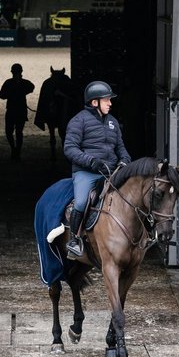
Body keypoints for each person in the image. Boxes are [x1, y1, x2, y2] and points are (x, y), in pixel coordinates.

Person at [62, 80, 131, 256]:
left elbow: (120, 147)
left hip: (111, 172)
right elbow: (69, 148)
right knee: (81, 201)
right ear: (94, 102)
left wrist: (124, 160)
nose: (110, 103)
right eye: (107, 100)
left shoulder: (113, 122)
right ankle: (75, 240)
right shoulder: (78, 121)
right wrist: (91, 161)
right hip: (87, 172)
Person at [0, 63, 35, 160]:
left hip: (11, 110)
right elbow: (32, 87)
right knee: (19, 132)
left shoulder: (8, 83)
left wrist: (11, 93)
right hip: (21, 110)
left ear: (12, 72)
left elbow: (1, 95)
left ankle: (14, 149)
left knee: (9, 132)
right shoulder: (25, 83)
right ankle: (17, 151)